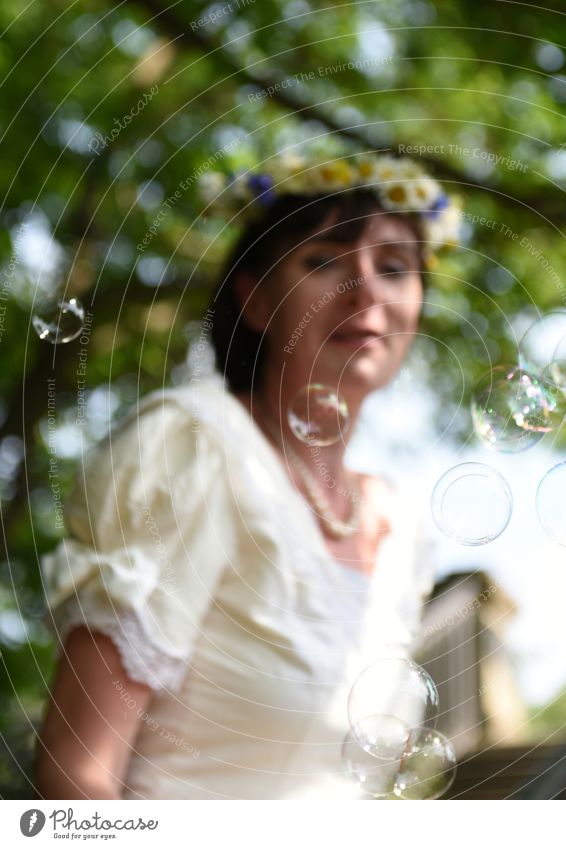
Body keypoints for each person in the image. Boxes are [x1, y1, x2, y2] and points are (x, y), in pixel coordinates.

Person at [35, 152, 462, 800]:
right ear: (257, 297)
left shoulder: (398, 526)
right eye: (323, 261)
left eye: (395, 267)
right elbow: (79, 775)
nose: (367, 290)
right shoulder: (196, 444)